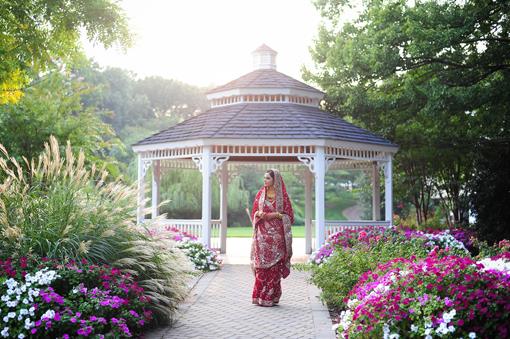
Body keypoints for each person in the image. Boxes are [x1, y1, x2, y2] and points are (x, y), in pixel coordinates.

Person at [250, 169, 294, 307]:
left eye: (268, 178)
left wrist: (275, 215)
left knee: (274, 267)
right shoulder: (260, 194)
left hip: (277, 238)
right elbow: (254, 212)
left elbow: (289, 217)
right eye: (264, 178)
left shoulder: (283, 197)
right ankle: (259, 296)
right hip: (262, 237)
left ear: (275, 180)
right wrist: (259, 214)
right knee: (261, 266)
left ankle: (271, 296)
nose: (265, 180)